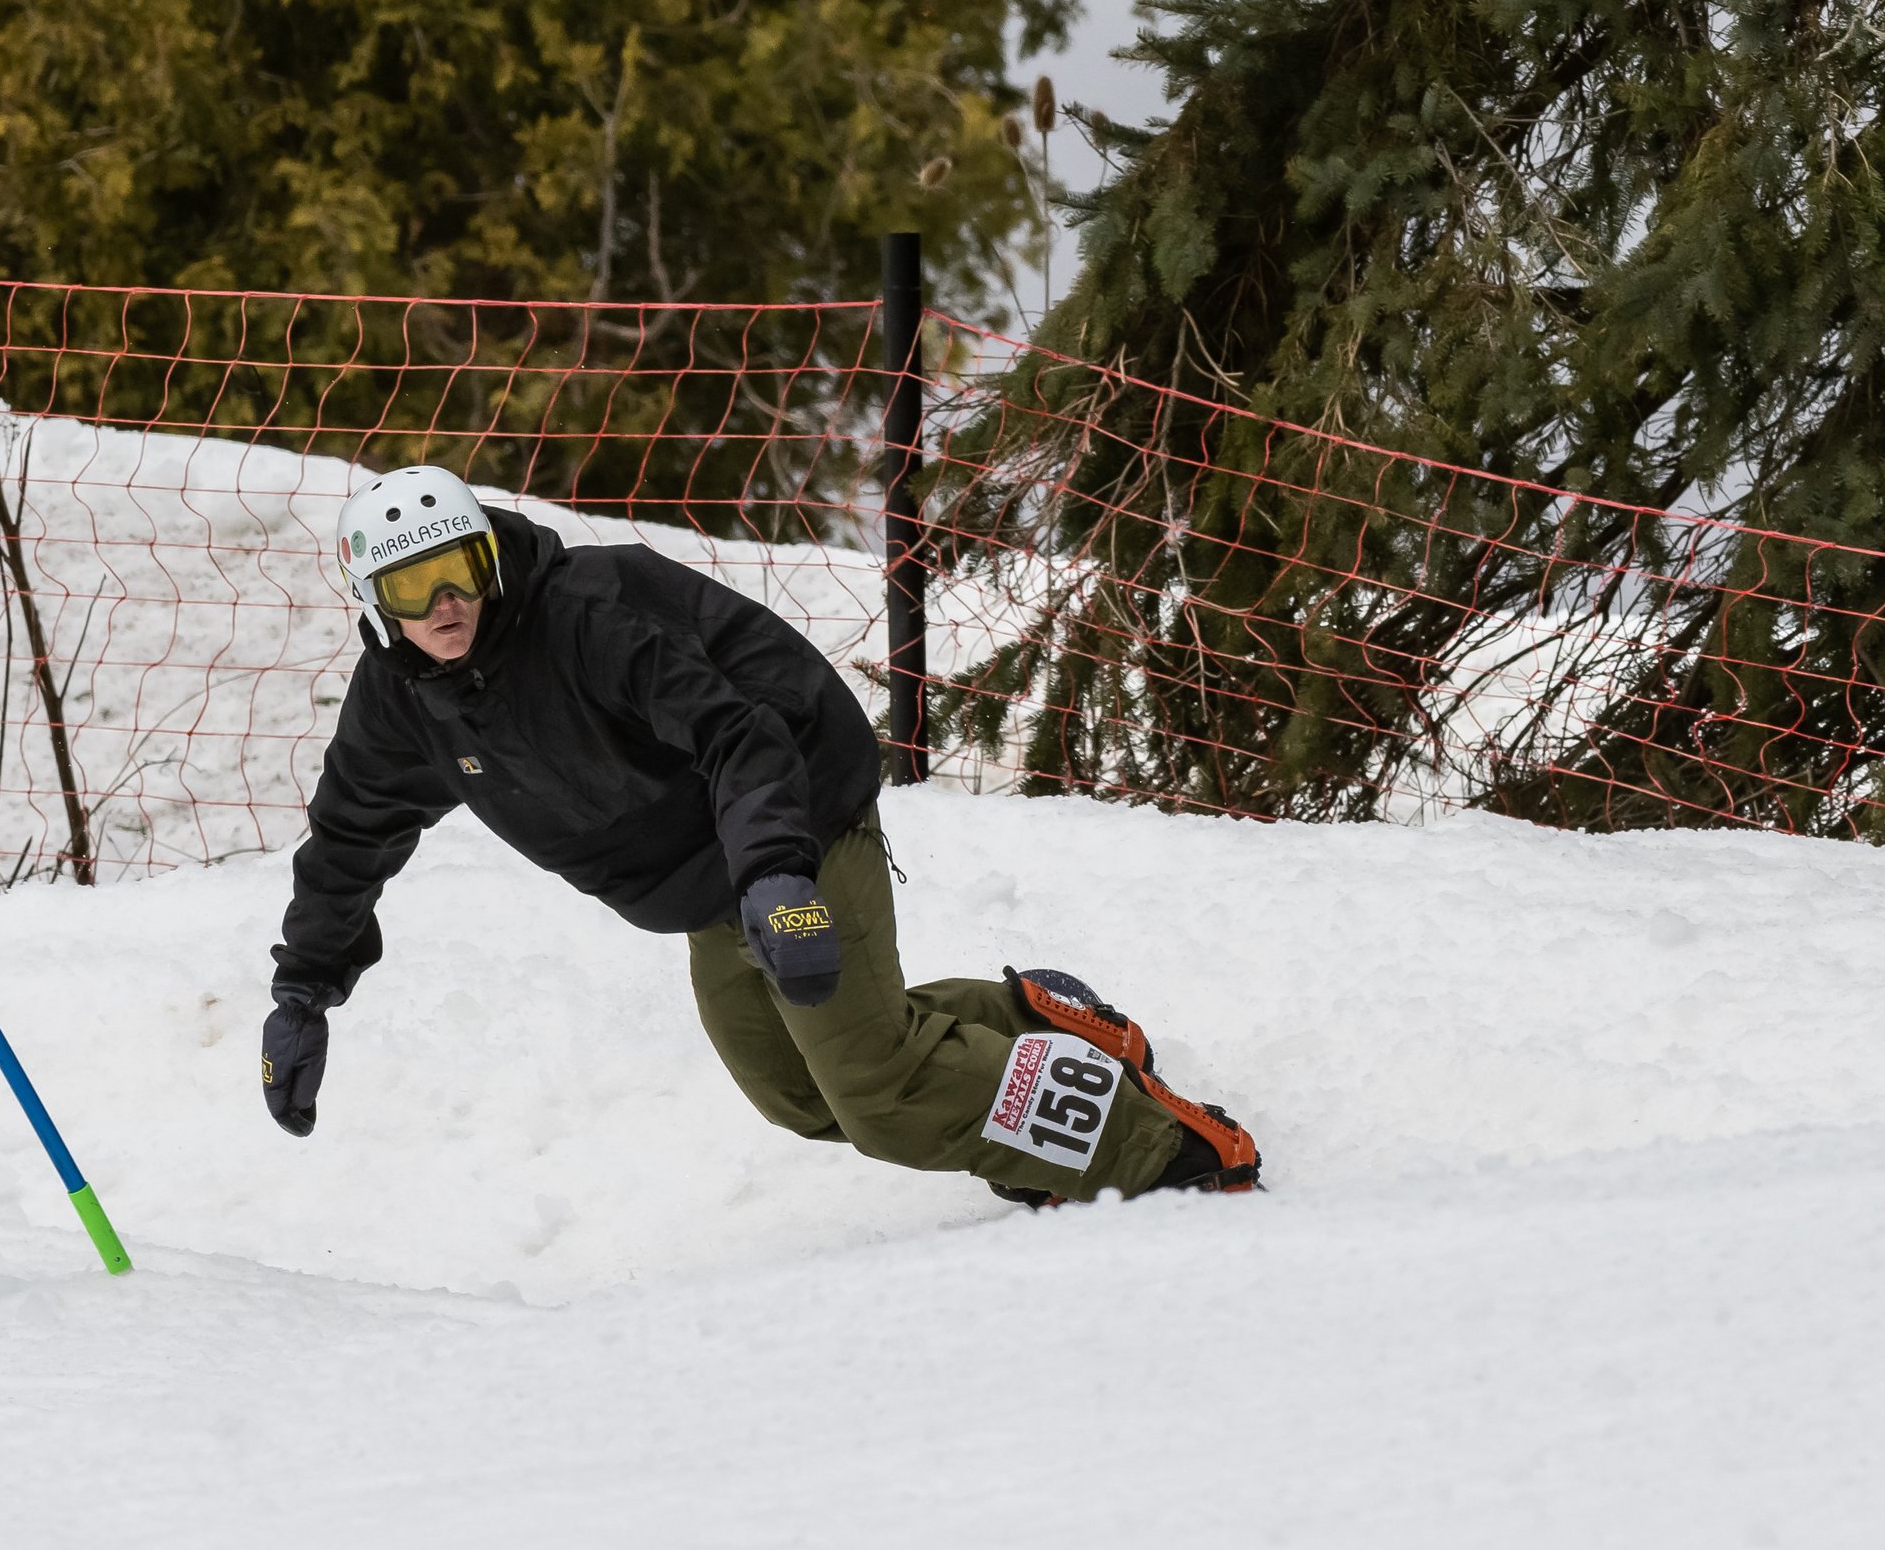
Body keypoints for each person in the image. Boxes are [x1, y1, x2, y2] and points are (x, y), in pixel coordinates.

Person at [263, 465, 1260, 1207]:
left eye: (460, 570)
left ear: (487, 557)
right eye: (412, 587)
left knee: (879, 1086)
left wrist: (781, 874)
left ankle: (1158, 1151)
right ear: (372, 601)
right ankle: (1030, 1020)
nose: (446, 604)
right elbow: (349, 833)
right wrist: (303, 987)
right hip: (699, 880)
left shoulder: (584, 619)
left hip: (794, 813)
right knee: (795, 1089)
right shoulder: (400, 703)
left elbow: (738, 732)